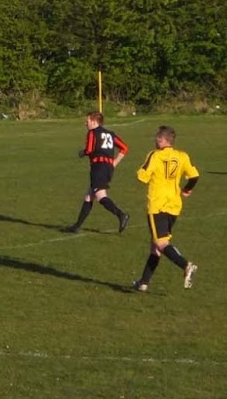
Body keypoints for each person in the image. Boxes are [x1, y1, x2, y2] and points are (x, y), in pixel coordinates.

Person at [132, 125, 201, 293]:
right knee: (155, 246)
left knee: (161, 243)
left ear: (163, 140)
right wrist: (186, 189)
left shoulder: (154, 155)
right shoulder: (182, 156)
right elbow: (194, 176)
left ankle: (186, 265)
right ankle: (143, 282)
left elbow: (142, 176)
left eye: (158, 138)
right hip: (174, 205)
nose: (156, 140)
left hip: (157, 205)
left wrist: (142, 172)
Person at [64, 111, 130, 233]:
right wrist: (114, 162)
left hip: (98, 167)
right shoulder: (110, 134)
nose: (85, 123)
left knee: (100, 196)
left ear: (94, 122)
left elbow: (90, 149)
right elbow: (124, 148)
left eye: (87, 121)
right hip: (108, 167)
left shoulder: (92, 132)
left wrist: (82, 153)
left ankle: (121, 215)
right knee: (89, 196)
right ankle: (77, 226)